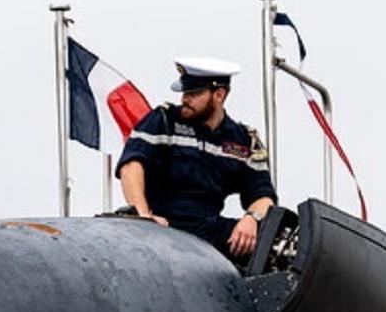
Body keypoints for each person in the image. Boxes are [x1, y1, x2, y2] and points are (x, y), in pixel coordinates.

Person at [115, 57, 277, 262]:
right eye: (184, 92)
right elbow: (131, 167)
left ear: (219, 95)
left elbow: (263, 196)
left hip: (209, 229)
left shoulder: (243, 140)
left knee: (274, 248)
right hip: (162, 224)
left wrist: (252, 219)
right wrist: (142, 216)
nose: (184, 99)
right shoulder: (163, 121)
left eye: (193, 93)